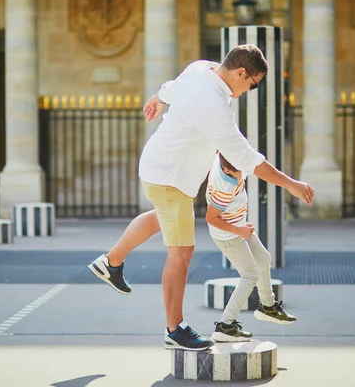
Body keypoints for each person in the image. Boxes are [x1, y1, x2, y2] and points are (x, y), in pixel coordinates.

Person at [88, 44, 315, 352]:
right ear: (240, 72)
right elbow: (247, 158)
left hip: (158, 169)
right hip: (170, 178)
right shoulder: (214, 106)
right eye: (253, 84)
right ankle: (175, 330)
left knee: (161, 218)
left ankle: (111, 262)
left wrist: (158, 98)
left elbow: (172, 87)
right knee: (181, 252)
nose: (250, 90)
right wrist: (291, 184)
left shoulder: (201, 68)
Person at [206, 153, 297, 343]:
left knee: (263, 258)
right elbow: (211, 218)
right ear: (228, 170)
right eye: (241, 171)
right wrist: (238, 230)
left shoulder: (225, 157)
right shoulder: (226, 186)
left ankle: (268, 306)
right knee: (250, 276)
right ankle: (225, 325)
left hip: (239, 226)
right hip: (229, 235)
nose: (245, 173)